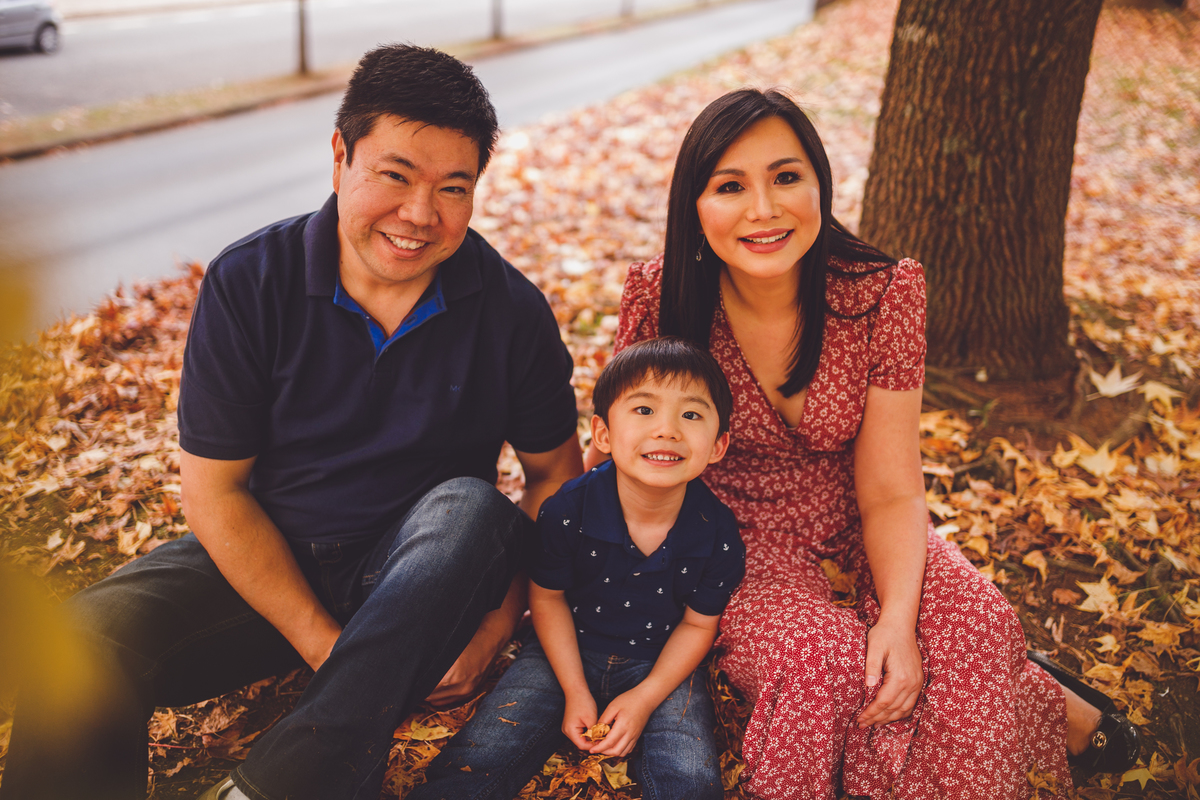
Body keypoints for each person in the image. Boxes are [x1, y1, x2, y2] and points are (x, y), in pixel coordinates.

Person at [0, 44, 584, 800]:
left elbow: (554, 483)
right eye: (395, 175)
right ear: (340, 155)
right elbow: (215, 493)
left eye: (453, 188)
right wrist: (328, 647)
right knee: (87, 641)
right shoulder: (250, 281)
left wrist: (493, 629)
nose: (419, 215)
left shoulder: (511, 311)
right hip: (268, 559)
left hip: (424, 573)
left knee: (472, 506)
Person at [598, 88, 1140, 799]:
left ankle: (1005, 697)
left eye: (786, 177)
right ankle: (1042, 701)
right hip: (723, 532)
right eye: (730, 186)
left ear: (820, 184)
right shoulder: (661, 297)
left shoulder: (884, 292)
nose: (764, 209)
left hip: (859, 512)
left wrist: (898, 617)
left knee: (976, 625)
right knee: (827, 656)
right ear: (694, 208)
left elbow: (889, 486)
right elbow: (624, 448)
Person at [411, 337, 746, 800]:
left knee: (688, 775)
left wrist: (646, 697)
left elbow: (697, 624)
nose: (667, 429)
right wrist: (574, 688)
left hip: (663, 662)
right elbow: (546, 599)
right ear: (603, 435)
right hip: (563, 647)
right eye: (644, 410)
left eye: (691, 415)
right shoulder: (568, 510)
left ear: (718, 444)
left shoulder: (718, 532)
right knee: (485, 750)